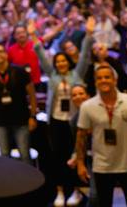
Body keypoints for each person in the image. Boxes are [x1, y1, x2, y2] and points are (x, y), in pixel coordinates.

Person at [33, 16, 94, 207]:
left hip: (75, 121)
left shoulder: (77, 74)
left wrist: (89, 34)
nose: (60, 64)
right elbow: (41, 55)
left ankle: (75, 191)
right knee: (58, 157)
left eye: (62, 61)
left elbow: (84, 55)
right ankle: (60, 191)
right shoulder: (52, 76)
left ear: (67, 62)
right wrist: (33, 36)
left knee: (76, 155)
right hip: (56, 121)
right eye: (57, 61)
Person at [76, 64, 127, 207]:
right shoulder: (87, 106)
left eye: (107, 77)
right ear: (95, 81)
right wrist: (80, 163)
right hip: (102, 166)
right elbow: (81, 135)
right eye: (99, 78)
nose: (103, 80)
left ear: (115, 80)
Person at [0, 42, 37, 164]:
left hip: (21, 118)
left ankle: (29, 182)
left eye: (0, 51)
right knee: (4, 154)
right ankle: (9, 181)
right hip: (0, 120)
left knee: (24, 154)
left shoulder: (20, 71)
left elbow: (32, 95)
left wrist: (33, 116)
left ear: (6, 54)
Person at [67, 84, 93, 207]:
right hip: (92, 159)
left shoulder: (98, 110)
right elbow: (78, 144)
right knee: (95, 196)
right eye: (74, 95)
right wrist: (75, 157)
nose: (78, 97)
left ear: (88, 95)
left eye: (81, 93)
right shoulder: (74, 121)